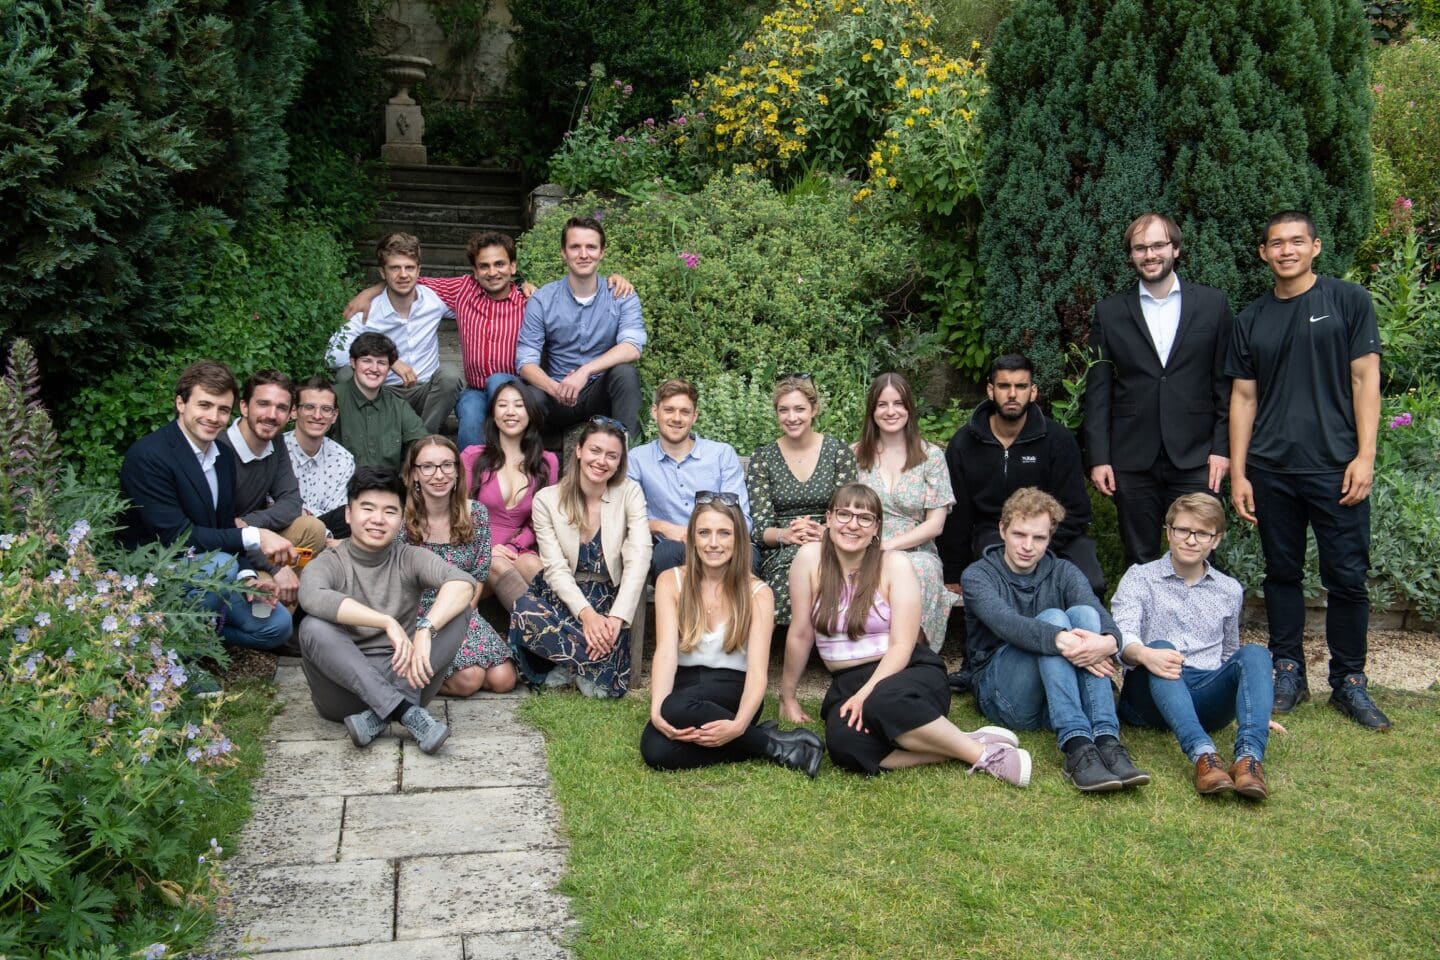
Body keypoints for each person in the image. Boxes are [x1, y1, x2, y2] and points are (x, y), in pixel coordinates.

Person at [1227, 211, 1389, 730]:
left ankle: (1349, 681)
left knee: (1347, 578)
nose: (1287, 250)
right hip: (1272, 470)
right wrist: (1238, 473)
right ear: (1264, 253)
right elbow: (1244, 397)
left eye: (1297, 241)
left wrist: (1364, 457)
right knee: (1282, 574)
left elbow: (1366, 381)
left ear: (1316, 247)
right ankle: (1288, 670)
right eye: (1276, 243)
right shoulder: (1250, 319)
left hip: (1337, 468)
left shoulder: (1347, 302)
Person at [779, 484, 1030, 785]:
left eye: (864, 518)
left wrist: (865, 693)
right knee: (844, 745)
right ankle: (960, 744)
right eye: (844, 514)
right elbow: (801, 633)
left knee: (880, 702)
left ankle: (988, 757)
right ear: (829, 519)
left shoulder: (895, 565)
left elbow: (902, 645)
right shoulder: (809, 560)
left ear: (876, 529)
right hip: (847, 680)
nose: (852, 525)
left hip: (908, 669)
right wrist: (788, 696)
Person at [342, 231, 634, 450]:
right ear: (474, 271)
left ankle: (512, 460)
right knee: (469, 413)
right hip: (475, 388)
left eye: (499, 264)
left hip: (513, 385)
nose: (492, 272)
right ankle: (470, 482)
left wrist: (614, 278)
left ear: (513, 267)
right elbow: (407, 279)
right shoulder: (462, 290)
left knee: (498, 380)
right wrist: (370, 291)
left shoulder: (529, 299)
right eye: (484, 266)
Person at [962, 488, 1149, 793]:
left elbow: (1103, 619)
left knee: (1085, 614)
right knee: (1053, 619)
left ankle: (1106, 742)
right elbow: (1007, 624)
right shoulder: (978, 575)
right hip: (1004, 697)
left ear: (1050, 537)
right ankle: (1076, 746)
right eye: (1019, 534)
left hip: (1057, 700)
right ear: (1002, 530)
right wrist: (1061, 639)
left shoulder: (1063, 570)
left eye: (1038, 538)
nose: (1027, 546)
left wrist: (1108, 643)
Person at [1085, 213, 1235, 568]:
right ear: (1131, 256)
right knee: (1139, 557)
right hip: (1131, 455)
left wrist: (1221, 448)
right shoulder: (1110, 312)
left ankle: (1196, 625)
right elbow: (1099, 388)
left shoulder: (1213, 305)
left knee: (1197, 552)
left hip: (1197, 455)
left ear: (1176, 249)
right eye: (1140, 248)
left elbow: (1225, 384)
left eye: (1157, 245)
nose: (1149, 254)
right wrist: (1100, 456)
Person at [119, 360, 294, 656]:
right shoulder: (149, 456)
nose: (214, 417)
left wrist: (247, 578)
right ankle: (179, 656)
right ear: (180, 403)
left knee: (276, 624)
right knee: (217, 566)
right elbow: (177, 537)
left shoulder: (222, 456)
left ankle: (206, 631)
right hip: (154, 578)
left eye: (222, 410)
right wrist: (255, 535)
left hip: (212, 574)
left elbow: (223, 525)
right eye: (205, 405)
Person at [640, 494, 824, 775]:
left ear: (738, 540)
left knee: (675, 707)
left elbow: (758, 672)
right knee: (656, 751)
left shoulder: (758, 593)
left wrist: (738, 724)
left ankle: (763, 741)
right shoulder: (671, 581)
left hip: (734, 688)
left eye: (724, 533)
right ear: (692, 538)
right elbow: (665, 652)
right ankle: (768, 742)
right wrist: (656, 710)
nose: (713, 543)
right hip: (685, 685)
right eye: (704, 533)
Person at [297, 467, 473, 754]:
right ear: (348, 514)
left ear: (402, 518)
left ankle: (387, 712)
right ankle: (405, 711)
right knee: (312, 627)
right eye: (367, 508)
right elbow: (311, 596)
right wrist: (385, 621)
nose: (378, 519)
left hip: (407, 676)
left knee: (459, 611)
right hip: (344, 692)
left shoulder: (409, 557)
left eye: (390, 511)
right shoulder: (330, 562)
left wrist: (426, 630)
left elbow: (463, 583)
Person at [1113, 493, 1274, 798]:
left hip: (1206, 695)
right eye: (1183, 530)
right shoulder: (1139, 578)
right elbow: (1123, 637)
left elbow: (1230, 655)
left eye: (1202, 533)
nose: (1191, 540)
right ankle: (1204, 757)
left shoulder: (1229, 589)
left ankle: (1249, 761)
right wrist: (1147, 654)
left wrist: (1255, 704)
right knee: (1161, 646)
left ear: (1216, 540)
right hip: (1150, 695)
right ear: (1169, 532)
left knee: (1255, 653)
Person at [939, 354, 1105, 597]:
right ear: (990, 390)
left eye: (1021, 386)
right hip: (995, 533)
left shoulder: (1058, 440)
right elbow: (957, 515)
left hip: (1053, 534)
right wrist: (953, 573)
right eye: (1004, 386)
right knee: (1010, 578)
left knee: (1090, 583)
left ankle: (1084, 631)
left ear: (1033, 391)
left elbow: (1077, 510)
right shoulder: (965, 443)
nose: (1013, 394)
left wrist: (1040, 543)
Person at [510, 417, 651, 698]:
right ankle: (587, 663)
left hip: (609, 597)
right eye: (595, 451)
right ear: (579, 450)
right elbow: (555, 568)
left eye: (612, 455)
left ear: (620, 461)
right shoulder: (547, 500)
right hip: (565, 596)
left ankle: (570, 664)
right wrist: (586, 616)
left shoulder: (629, 493)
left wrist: (615, 618)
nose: (602, 461)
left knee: (601, 690)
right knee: (524, 611)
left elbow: (639, 556)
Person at [401, 435, 518, 697]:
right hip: (419, 612)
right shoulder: (403, 520)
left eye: (446, 465)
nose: (438, 474)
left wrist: (463, 617)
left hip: (462, 608)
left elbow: (478, 575)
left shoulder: (476, 513)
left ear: (457, 471)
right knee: (469, 679)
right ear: (414, 474)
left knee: (504, 679)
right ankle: (408, 679)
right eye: (428, 466)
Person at [853, 372, 958, 652]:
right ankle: (868, 656)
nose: (891, 411)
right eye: (882, 405)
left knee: (919, 571)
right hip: (862, 546)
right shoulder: (855, 455)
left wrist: (888, 547)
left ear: (909, 408)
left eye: (898, 403)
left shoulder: (930, 457)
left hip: (915, 550)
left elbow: (935, 525)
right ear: (872, 410)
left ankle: (913, 657)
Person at [515, 216, 646, 437]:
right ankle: (524, 467)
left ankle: (628, 460)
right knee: (527, 396)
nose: (583, 254)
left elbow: (632, 347)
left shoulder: (621, 295)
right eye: (575, 247)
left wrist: (585, 372)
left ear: (602, 252)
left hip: (599, 394)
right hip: (555, 397)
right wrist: (554, 388)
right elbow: (525, 362)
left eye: (591, 247)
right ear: (563, 253)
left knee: (625, 374)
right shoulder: (542, 300)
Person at [747, 375, 858, 625]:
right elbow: (760, 527)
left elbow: (850, 510)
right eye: (783, 410)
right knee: (786, 580)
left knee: (833, 575)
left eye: (799, 409)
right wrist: (785, 534)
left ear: (814, 409)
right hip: (784, 549)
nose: (792, 417)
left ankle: (839, 647)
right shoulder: (763, 458)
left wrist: (826, 532)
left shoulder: (837, 452)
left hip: (834, 541)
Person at [327, 233, 463, 434]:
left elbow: (480, 294)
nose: (403, 275)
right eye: (394, 268)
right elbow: (332, 356)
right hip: (380, 392)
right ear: (382, 272)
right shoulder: (367, 309)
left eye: (409, 267)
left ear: (419, 271)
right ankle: (367, 437)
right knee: (346, 374)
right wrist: (386, 359)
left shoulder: (434, 300)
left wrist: (523, 287)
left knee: (450, 375)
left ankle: (421, 443)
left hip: (424, 393)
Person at [218, 369, 327, 607]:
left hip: (254, 536)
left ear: (290, 414)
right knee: (272, 578)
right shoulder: (220, 449)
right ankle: (268, 616)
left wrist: (250, 523)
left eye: (280, 408)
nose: (271, 415)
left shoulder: (275, 441)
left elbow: (291, 502)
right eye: (263, 404)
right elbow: (221, 530)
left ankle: (277, 618)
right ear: (245, 407)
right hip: (223, 547)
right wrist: (274, 566)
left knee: (312, 528)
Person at [628, 379, 756, 575]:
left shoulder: (720, 454)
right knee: (666, 552)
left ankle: (732, 606)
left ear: (694, 416)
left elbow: (741, 519)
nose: (676, 418)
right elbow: (626, 519)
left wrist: (708, 536)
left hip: (721, 541)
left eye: (684, 412)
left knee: (749, 556)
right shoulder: (637, 459)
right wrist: (662, 527)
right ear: (655, 412)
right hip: (674, 546)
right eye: (669, 410)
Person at [460, 379, 559, 610]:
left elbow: (539, 521)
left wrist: (515, 546)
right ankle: (546, 635)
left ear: (530, 412)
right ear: (493, 413)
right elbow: (459, 514)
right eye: (503, 405)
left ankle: (557, 630)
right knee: (496, 563)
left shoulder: (547, 463)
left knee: (532, 563)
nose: (510, 412)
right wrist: (486, 548)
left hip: (516, 550)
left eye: (519, 405)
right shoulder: (473, 458)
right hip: (476, 554)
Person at [329, 331, 428, 472]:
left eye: (381, 363)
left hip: (388, 489)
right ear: (353, 362)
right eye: (367, 361)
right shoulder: (332, 398)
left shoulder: (398, 406)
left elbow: (422, 446)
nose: (374, 369)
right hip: (342, 488)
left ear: (389, 368)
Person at [284, 375, 355, 541]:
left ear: (334, 415)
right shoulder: (277, 451)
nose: (318, 415)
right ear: (294, 411)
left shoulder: (343, 459)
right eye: (309, 407)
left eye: (326, 409)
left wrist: (307, 515)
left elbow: (340, 516)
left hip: (331, 536)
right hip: (282, 535)